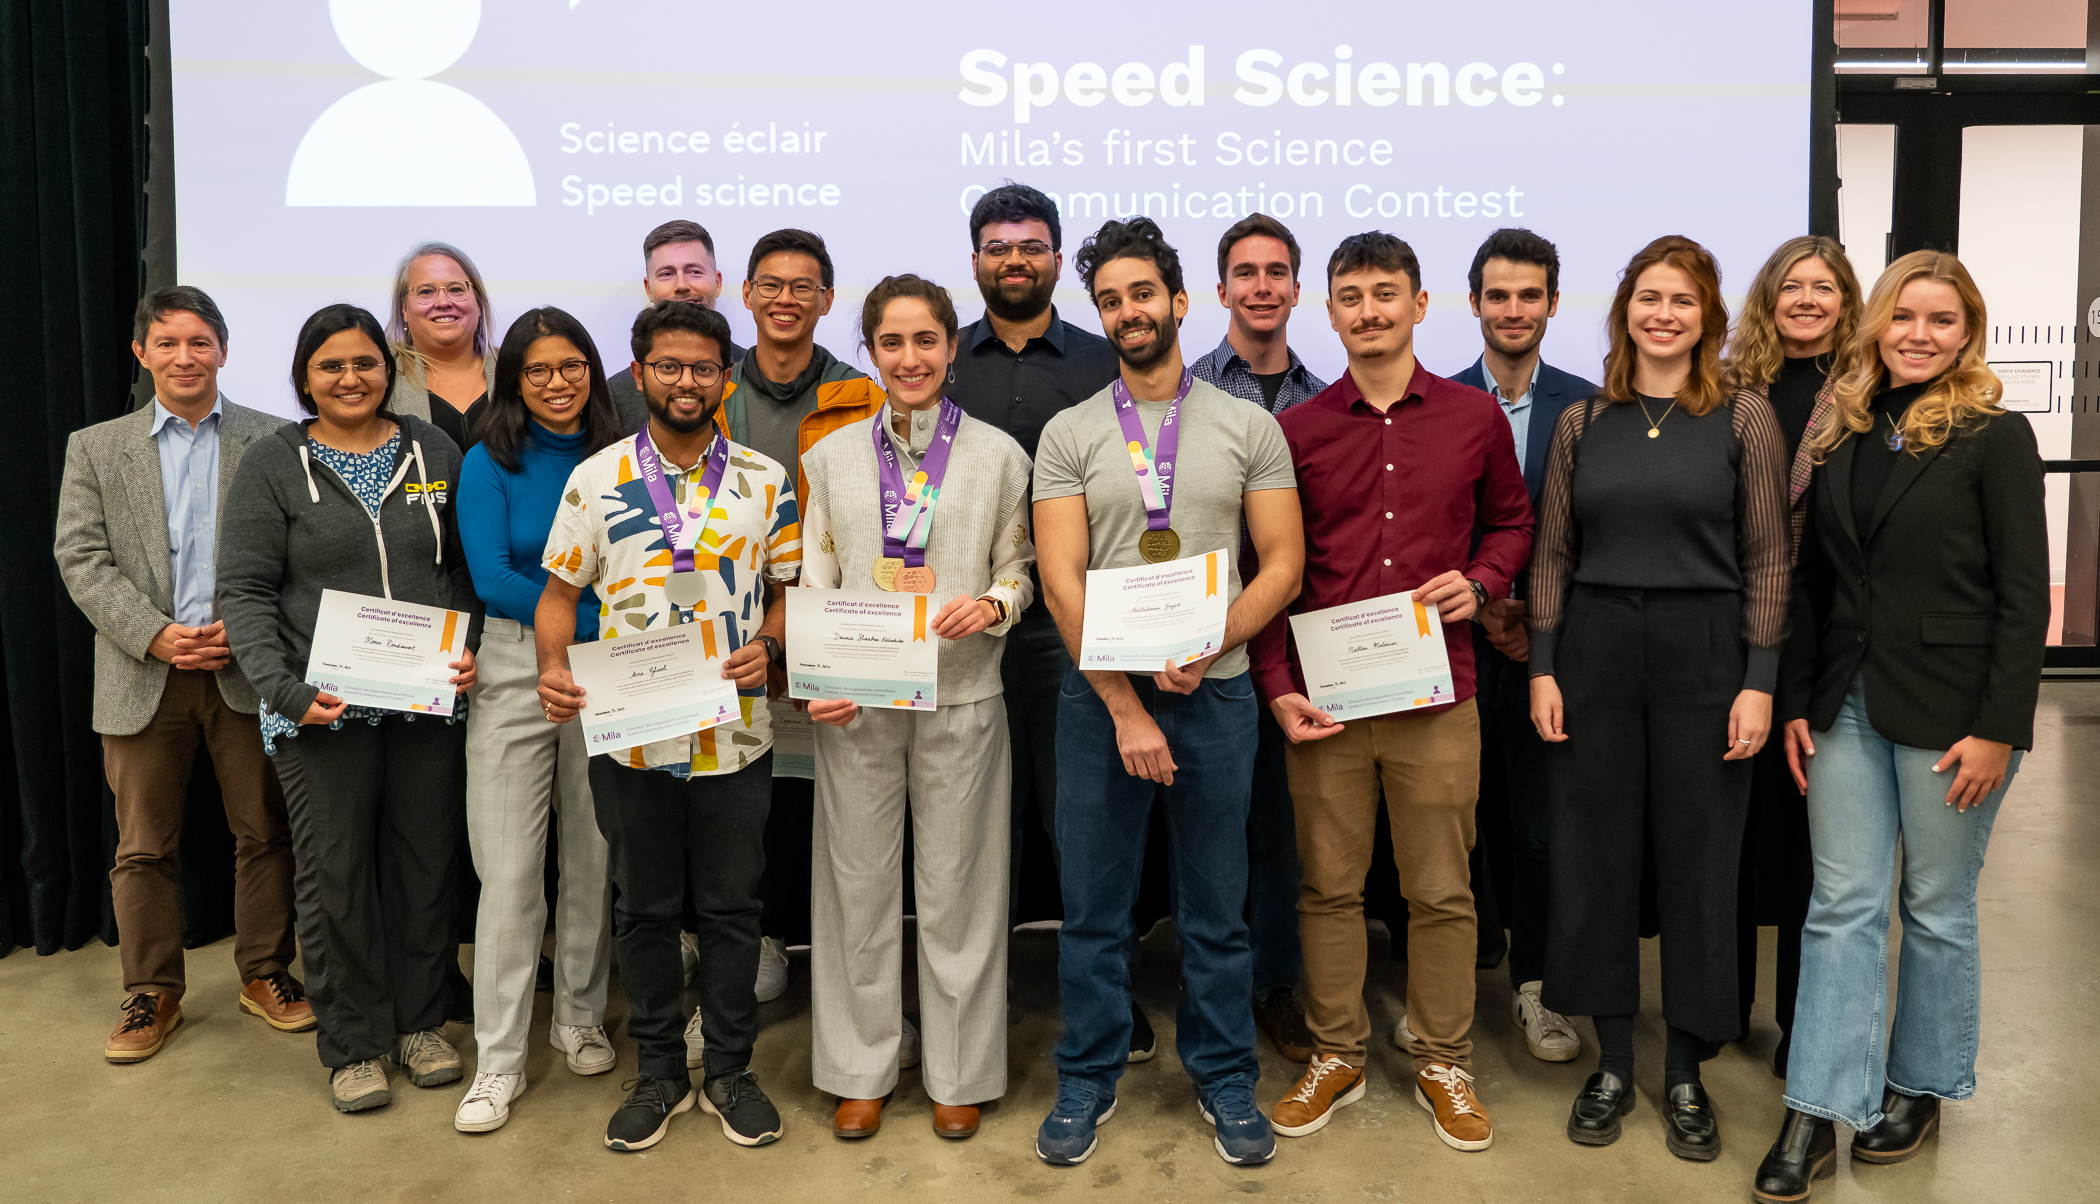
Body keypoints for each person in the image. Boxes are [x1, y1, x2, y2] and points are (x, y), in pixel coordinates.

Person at [1752, 252, 2046, 1202]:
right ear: (1876, 324)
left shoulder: (1995, 436)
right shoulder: (1845, 429)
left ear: (1969, 333)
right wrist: (1798, 696)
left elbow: (2023, 596)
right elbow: (1815, 581)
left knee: (1935, 906)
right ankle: (1817, 1107)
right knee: (1841, 906)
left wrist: (2000, 726)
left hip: (1953, 715)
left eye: (1942, 320)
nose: (1919, 334)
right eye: (1904, 317)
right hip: (1845, 704)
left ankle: (1918, 1084)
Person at [1030, 216, 1304, 1167]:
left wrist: (1206, 639)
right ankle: (1088, 1074)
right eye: (1109, 298)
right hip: (1101, 704)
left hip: (1217, 696)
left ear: (1181, 302)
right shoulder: (1069, 434)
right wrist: (1128, 705)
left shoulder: (1247, 425)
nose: (1127, 311)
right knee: (1095, 909)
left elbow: (1283, 566)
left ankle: (1226, 1076)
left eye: (1142, 293)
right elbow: (1062, 583)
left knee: (1216, 910)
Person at [1253, 232, 1530, 1152]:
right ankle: (1336, 1052)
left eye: (1386, 293)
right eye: (1349, 296)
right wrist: (1277, 686)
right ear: (1325, 311)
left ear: (1420, 304)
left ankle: (1443, 1057)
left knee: (1442, 891)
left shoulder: (1472, 417)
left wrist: (1484, 581)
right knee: (1328, 887)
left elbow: (1513, 523)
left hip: (1437, 693)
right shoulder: (1293, 434)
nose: (1368, 311)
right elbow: (1270, 570)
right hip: (1325, 700)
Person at [1525, 235, 1788, 1160]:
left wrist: (1758, 684)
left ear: (1708, 316)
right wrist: (1544, 665)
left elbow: (1768, 560)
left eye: (1682, 300)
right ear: (1625, 310)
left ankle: (1683, 1069)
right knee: (1596, 860)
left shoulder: (1746, 418)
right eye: (1648, 297)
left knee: (1699, 863)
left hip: (1705, 659)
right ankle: (1610, 1061)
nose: (1663, 314)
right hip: (1594, 653)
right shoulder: (1582, 422)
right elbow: (1552, 551)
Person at [534, 301, 797, 1152]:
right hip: (632, 735)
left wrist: (769, 646)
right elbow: (559, 599)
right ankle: (656, 1072)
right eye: (671, 367)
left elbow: (788, 594)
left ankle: (728, 1069)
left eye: (705, 368)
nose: (689, 382)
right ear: (640, 372)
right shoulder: (597, 477)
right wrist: (551, 670)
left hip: (737, 736)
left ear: (727, 376)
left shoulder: (766, 478)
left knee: (730, 909)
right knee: (642, 910)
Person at [216, 303, 481, 1114]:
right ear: (305, 378)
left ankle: (420, 1025)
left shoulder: (432, 448)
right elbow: (246, 591)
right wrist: (288, 692)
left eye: (365, 362)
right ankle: (355, 1044)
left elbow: (460, 571)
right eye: (331, 365)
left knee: (423, 867)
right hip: (320, 709)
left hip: (425, 704)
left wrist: (463, 649)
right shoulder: (271, 464)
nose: (351, 378)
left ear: (389, 370)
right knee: (335, 877)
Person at [799, 275, 1037, 1141]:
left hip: (964, 690)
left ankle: (958, 1070)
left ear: (950, 348)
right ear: (870, 351)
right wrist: (817, 675)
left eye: (926, 341)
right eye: (892, 343)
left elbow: (1023, 567)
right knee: (856, 887)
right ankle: (860, 1067)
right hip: (857, 706)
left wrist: (997, 604)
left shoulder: (1001, 456)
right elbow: (814, 580)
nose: (910, 359)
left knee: (959, 887)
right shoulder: (827, 458)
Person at [54, 285, 311, 1063]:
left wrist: (256, 630)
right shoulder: (96, 447)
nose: (184, 357)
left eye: (200, 342)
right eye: (167, 343)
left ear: (224, 351)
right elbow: (80, 557)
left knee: (264, 831)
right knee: (142, 847)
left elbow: (298, 556)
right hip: (142, 674)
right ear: (142, 353)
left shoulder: (274, 441)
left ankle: (266, 971)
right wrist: (155, 633)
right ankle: (151, 991)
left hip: (246, 669)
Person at [946, 183, 1129, 1050]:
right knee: (973, 816)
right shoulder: (940, 363)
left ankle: (1105, 1004)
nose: (1013, 260)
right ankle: (978, 1005)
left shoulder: (1103, 363)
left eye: (1029, 246)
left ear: (1057, 257)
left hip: (1073, 625)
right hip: (960, 625)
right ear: (975, 258)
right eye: (996, 246)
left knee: (1079, 812)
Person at [450, 308, 627, 1132]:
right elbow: (492, 577)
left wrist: (614, 634)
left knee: (592, 858)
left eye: (572, 366)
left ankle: (579, 1018)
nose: (558, 383)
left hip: (609, 676)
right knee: (512, 873)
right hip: (520, 663)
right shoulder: (489, 460)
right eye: (538, 370)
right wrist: (601, 621)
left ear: (592, 371)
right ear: (513, 380)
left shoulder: (628, 459)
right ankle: (498, 1062)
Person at [724, 228, 885, 1011]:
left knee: (826, 789)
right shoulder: (708, 391)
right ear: (746, 295)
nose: (786, 298)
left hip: (832, 611)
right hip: (728, 625)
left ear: (827, 300)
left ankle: (834, 951)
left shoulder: (866, 393)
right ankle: (754, 936)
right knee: (745, 783)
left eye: (804, 286)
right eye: (771, 284)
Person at [1451, 228, 1596, 1065]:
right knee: (1454, 831)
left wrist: (1536, 621)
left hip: (1550, 657)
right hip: (1460, 646)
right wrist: (1483, 608)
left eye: (1529, 295)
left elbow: (1596, 534)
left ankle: (1537, 985)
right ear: (1473, 303)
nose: (1513, 310)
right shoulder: (1438, 399)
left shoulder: (1589, 404)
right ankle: (1453, 991)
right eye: (1497, 295)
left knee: (1543, 831)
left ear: (1550, 303)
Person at [1722, 235, 1864, 1079]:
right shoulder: (1729, 386)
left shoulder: (1866, 394)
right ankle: (1723, 1005)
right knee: (1733, 833)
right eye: (1792, 286)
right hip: (1728, 628)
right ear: (1768, 297)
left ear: (1846, 301)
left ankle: (1802, 1024)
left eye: (1824, 287)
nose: (1806, 299)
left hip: (1826, 631)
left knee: (1816, 844)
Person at [1190, 213, 1328, 1068]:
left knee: (1281, 825)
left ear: (1296, 288)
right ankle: (1208, 986)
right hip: (1191, 640)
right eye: (1246, 273)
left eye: (1277, 272)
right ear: (1221, 290)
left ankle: (1276, 984)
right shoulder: (1189, 391)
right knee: (1208, 828)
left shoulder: (1326, 396)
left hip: (1301, 643)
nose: (1263, 286)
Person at [607, 220, 749, 429]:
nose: (682, 285)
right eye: (667, 274)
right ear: (648, 288)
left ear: (717, 283)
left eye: (694, 272)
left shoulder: (754, 374)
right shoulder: (617, 393)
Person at [386, 241, 498, 454]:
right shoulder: (381, 378)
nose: (443, 302)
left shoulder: (518, 369)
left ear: (479, 303)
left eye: (456, 289)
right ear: (404, 309)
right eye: (426, 291)